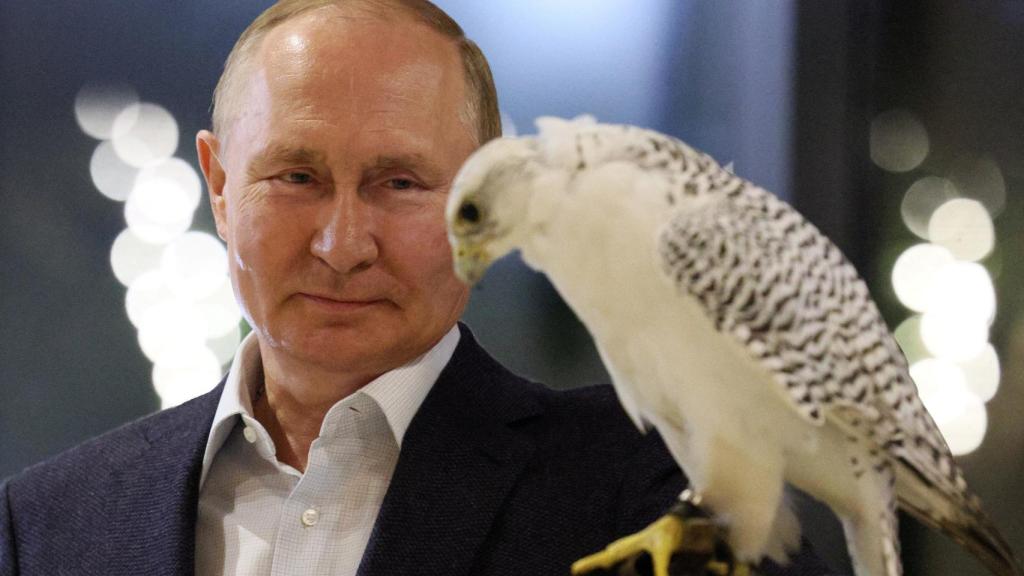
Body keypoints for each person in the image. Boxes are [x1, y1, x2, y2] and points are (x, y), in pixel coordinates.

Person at [0, 1, 834, 575]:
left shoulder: (654, 490)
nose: (342, 245)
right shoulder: (49, 529)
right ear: (218, 186)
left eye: (400, 183)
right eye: (296, 176)